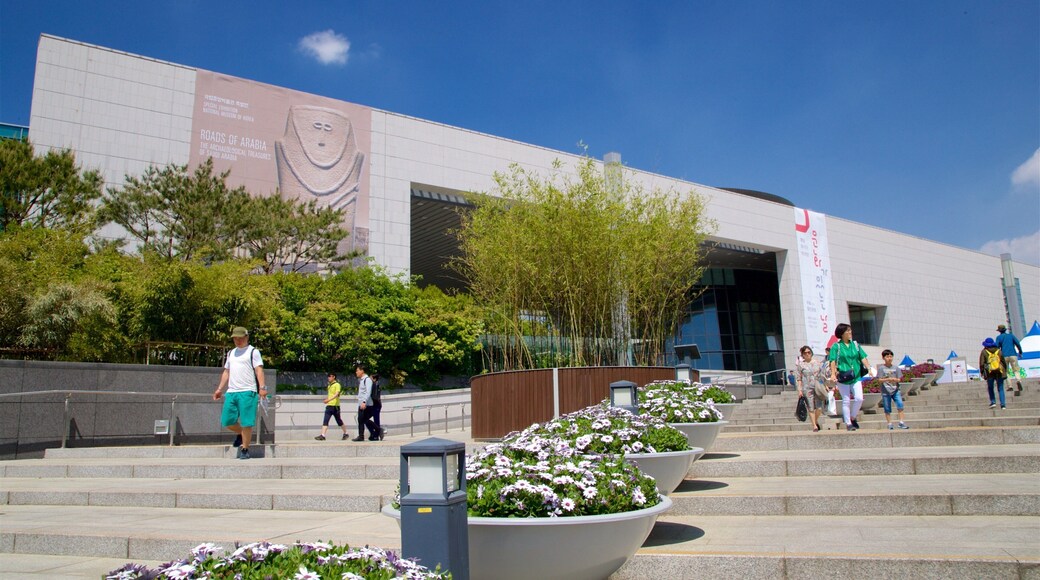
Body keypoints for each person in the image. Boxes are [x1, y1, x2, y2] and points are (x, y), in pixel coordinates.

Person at [213, 326, 267, 460]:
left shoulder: (253, 352)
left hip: (248, 391)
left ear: (246, 337)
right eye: (235, 338)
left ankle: (245, 448)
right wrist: (219, 389)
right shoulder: (231, 353)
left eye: (240, 338)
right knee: (227, 420)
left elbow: (259, 370)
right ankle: (240, 434)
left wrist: (262, 387)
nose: (237, 340)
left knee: (246, 422)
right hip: (232, 391)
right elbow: (227, 371)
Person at [827, 323, 870, 431]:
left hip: (855, 376)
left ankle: (852, 417)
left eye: (850, 330)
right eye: (848, 331)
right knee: (846, 400)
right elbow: (832, 360)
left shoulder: (855, 345)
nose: (850, 332)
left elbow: (863, 357)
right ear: (842, 334)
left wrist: (868, 367)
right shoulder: (836, 346)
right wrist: (833, 373)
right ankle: (848, 423)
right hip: (843, 376)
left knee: (859, 398)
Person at [794, 345, 828, 432]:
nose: (807, 354)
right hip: (806, 388)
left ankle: (815, 421)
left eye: (809, 352)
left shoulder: (817, 362)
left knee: (819, 407)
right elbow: (799, 378)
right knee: (810, 406)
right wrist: (800, 390)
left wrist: (826, 385)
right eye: (805, 353)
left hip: (817, 386)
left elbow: (822, 375)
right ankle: (814, 426)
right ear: (802, 354)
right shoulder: (801, 365)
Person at [876, 349, 909, 430]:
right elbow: (879, 380)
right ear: (883, 358)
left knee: (900, 405)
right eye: (887, 356)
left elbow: (899, 379)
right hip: (885, 390)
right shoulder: (881, 368)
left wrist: (895, 380)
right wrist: (887, 379)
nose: (889, 358)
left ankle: (901, 422)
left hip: (896, 389)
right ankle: (889, 423)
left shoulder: (896, 368)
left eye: (891, 356)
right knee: (887, 408)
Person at [315, 373, 349, 441]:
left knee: (339, 421)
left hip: (335, 406)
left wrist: (328, 400)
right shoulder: (329, 386)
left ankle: (346, 433)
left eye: (330, 376)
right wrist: (327, 400)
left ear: (334, 377)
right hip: (329, 406)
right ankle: (323, 435)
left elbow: (336, 394)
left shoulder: (337, 385)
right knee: (326, 420)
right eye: (328, 376)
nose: (328, 378)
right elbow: (330, 395)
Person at [352, 362, 379, 442]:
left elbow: (368, 392)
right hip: (362, 404)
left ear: (362, 371)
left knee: (362, 419)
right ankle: (378, 430)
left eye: (357, 370)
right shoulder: (362, 380)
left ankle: (362, 436)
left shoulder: (367, 380)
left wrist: (364, 402)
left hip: (366, 404)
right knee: (362, 420)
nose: (356, 372)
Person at [994, 324, 1024, 392]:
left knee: (1006, 371)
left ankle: (1010, 386)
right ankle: (1018, 380)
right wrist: (1020, 352)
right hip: (1013, 354)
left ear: (999, 331)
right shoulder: (1011, 336)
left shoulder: (999, 337)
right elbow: (1017, 344)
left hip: (1004, 355)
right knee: (1016, 370)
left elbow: (997, 347)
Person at [979, 337, 1007, 409]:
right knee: (1000, 388)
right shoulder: (998, 350)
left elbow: (982, 363)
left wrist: (982, 372)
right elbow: (1003, 361)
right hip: (999, 371)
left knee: (990, 387)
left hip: (989, 372)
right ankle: (1003, 405)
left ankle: (993, 402)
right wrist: (1005, 370)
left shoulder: (984, 351)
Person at [370, 372, 386, 440]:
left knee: (376, 420)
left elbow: (375, 396)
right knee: (366, 419)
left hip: (375, 404)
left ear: (374, 379)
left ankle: (376, 434)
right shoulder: (375, 384)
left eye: (370, 378)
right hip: (375, 404)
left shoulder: (375, 384)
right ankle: (374, 433)